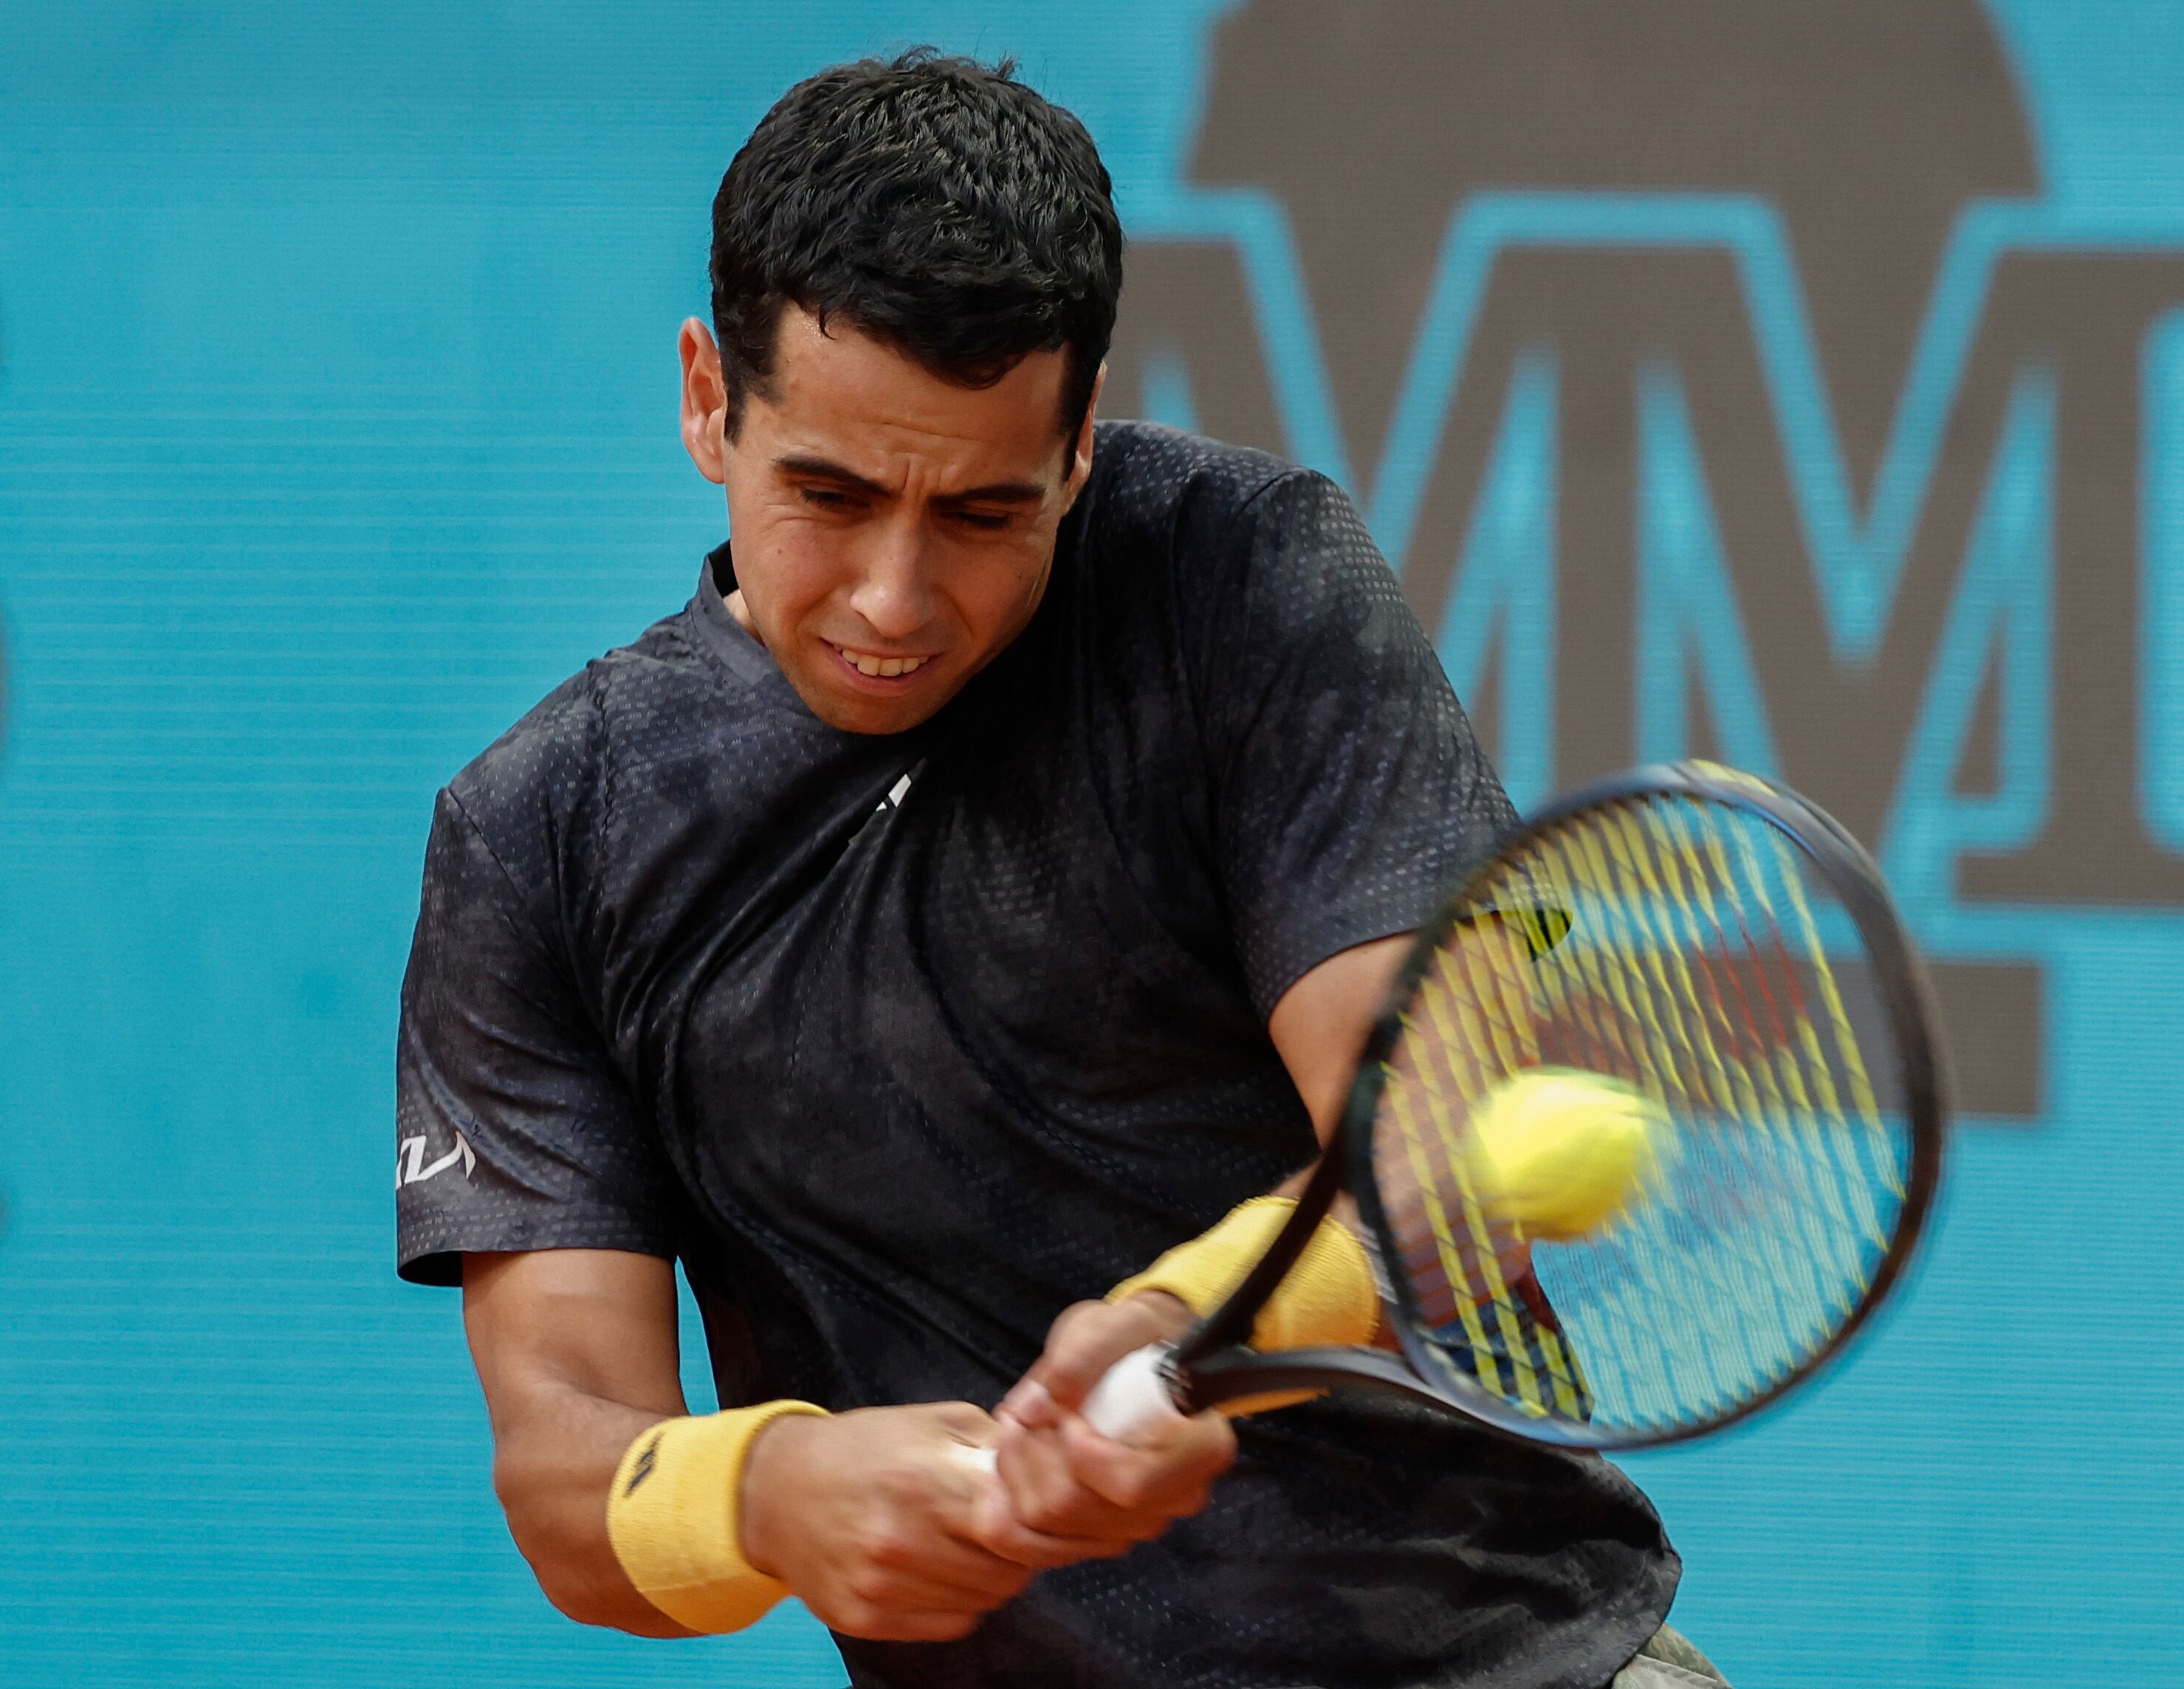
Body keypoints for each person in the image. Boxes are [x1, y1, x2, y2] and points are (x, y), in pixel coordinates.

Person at [393, 49, 1722, 1689]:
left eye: (979, 514)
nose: (894, 595)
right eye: (831, 493)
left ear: (1081, 441)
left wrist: (1186, 1323)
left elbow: (1434, 1151)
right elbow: (564, 1476)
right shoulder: (540, 833)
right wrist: (770, 1489)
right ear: (705, 399)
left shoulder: (1242, 580)